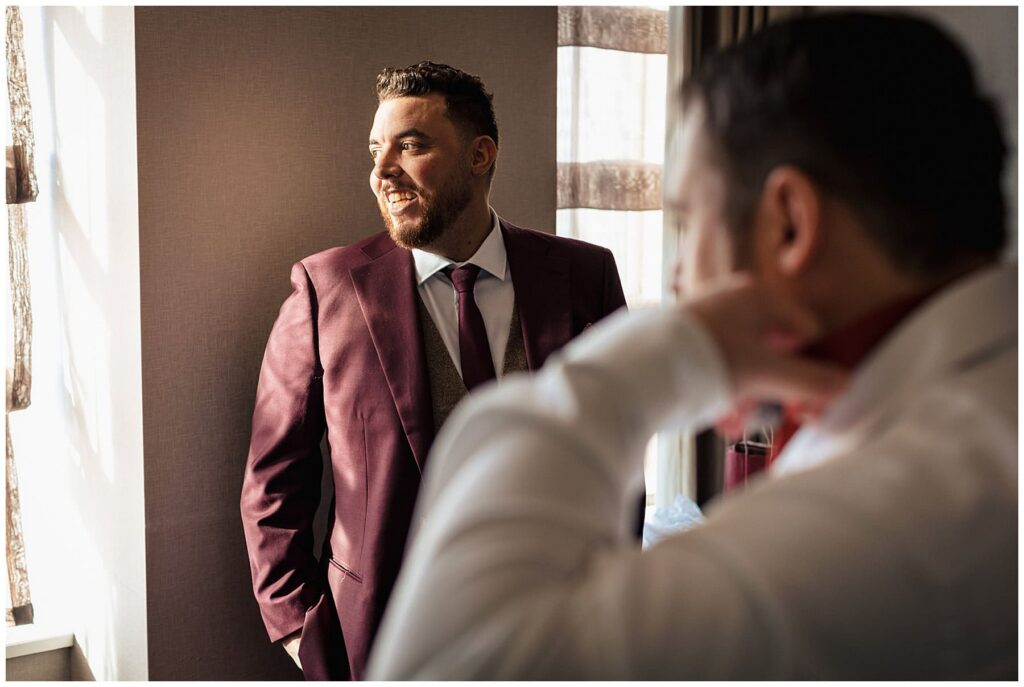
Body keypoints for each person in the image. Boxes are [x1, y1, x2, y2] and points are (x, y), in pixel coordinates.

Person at [367, 13, 1016, 680]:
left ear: (789, 224)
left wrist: (656, 359)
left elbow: (450, 664)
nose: (678, 275)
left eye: (686, 219)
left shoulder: (898, 518)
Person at [239, 61, 628, 680]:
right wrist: (297, 628)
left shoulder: (584, 277)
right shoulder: (327, 289)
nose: (381, 171)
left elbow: (618, 454)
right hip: (381, 642)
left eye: (411, 146)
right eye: (376, 150)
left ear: (480, 155)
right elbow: (274, 478)